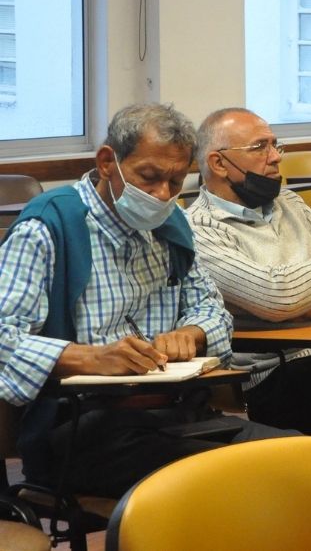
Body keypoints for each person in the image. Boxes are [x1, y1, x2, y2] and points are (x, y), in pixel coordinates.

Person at [0, 103, 286, 497]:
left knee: (299, 459)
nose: (162, 194)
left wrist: (193, 331)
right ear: (106, 162)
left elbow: (215, 311)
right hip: (84, 430)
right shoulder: (48, 228)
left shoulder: (171, 225)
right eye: (149, 178)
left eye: (175, 181)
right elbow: (4, 337)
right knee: (238, 481)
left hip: (178, 414)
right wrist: (90, 357)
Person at [185, 107, 311, 442]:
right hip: (276, 374)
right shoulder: (199, 229)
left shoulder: (289, 203)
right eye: (259, 147)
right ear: (219, 164)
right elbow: (279, 297)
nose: (276, 157)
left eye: (276, 145)